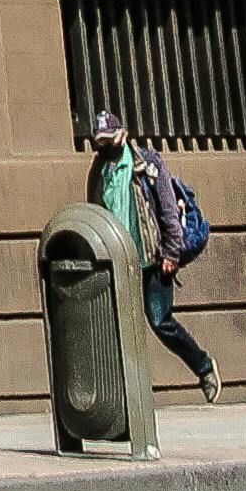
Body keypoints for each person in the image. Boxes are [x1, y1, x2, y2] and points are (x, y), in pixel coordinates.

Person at [84, 108, 219, 401]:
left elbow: (168, 210)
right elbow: (95, 212)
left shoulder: (148, 163)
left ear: (123, 134)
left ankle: (204, 367)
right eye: (99, 142)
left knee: (160, 320)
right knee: (115, 327)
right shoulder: (99, 172)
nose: (105, 146)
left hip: (152, 259)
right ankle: (126, 395)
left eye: (110, 139)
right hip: (118, 263)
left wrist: (171, 253)